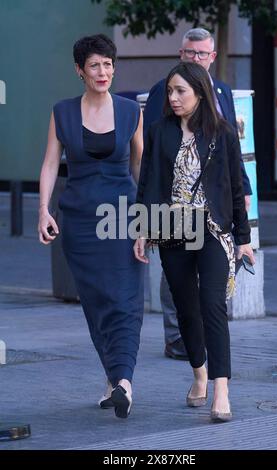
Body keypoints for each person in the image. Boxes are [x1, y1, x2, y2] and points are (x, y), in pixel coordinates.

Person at [134, 62, 254, 422]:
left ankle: (221, 388)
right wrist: (142, 228)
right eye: (170, 91)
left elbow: (235, 187)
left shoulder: (223, 133)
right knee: (185, 308)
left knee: (212, 304)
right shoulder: (158, 132)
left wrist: (244, 239)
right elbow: (148, 182)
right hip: (173, 229)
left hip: (214, 231)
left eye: (180, 91)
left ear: (200, 93)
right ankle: (199, 374)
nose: (173, 98)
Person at [38, 34, 144, 419]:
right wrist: (44, 210)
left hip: (122, 218)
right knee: (97, 302)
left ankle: (124, 383)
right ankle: (114, 380)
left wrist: (147, 219)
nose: (104, 72)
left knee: (125, 300)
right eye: (96, 65)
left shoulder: (132, 111)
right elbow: (51, 164)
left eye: (109, 64)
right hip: (80, 220)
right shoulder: (62, 112)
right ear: (80, 70)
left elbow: (139, 169)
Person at [143, 27, 252, 361]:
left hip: (212, 210)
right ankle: (176, 336)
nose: (194, 59)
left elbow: (230, 149)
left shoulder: (221, 90)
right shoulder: (162, 91)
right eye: (189, 53)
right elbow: (153, 156)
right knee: (177, 280)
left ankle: (208, 359)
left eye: (201, 54)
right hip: (174, 213)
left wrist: (243, 189)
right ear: (180, 53)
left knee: (211, 291)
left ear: (212, 57)